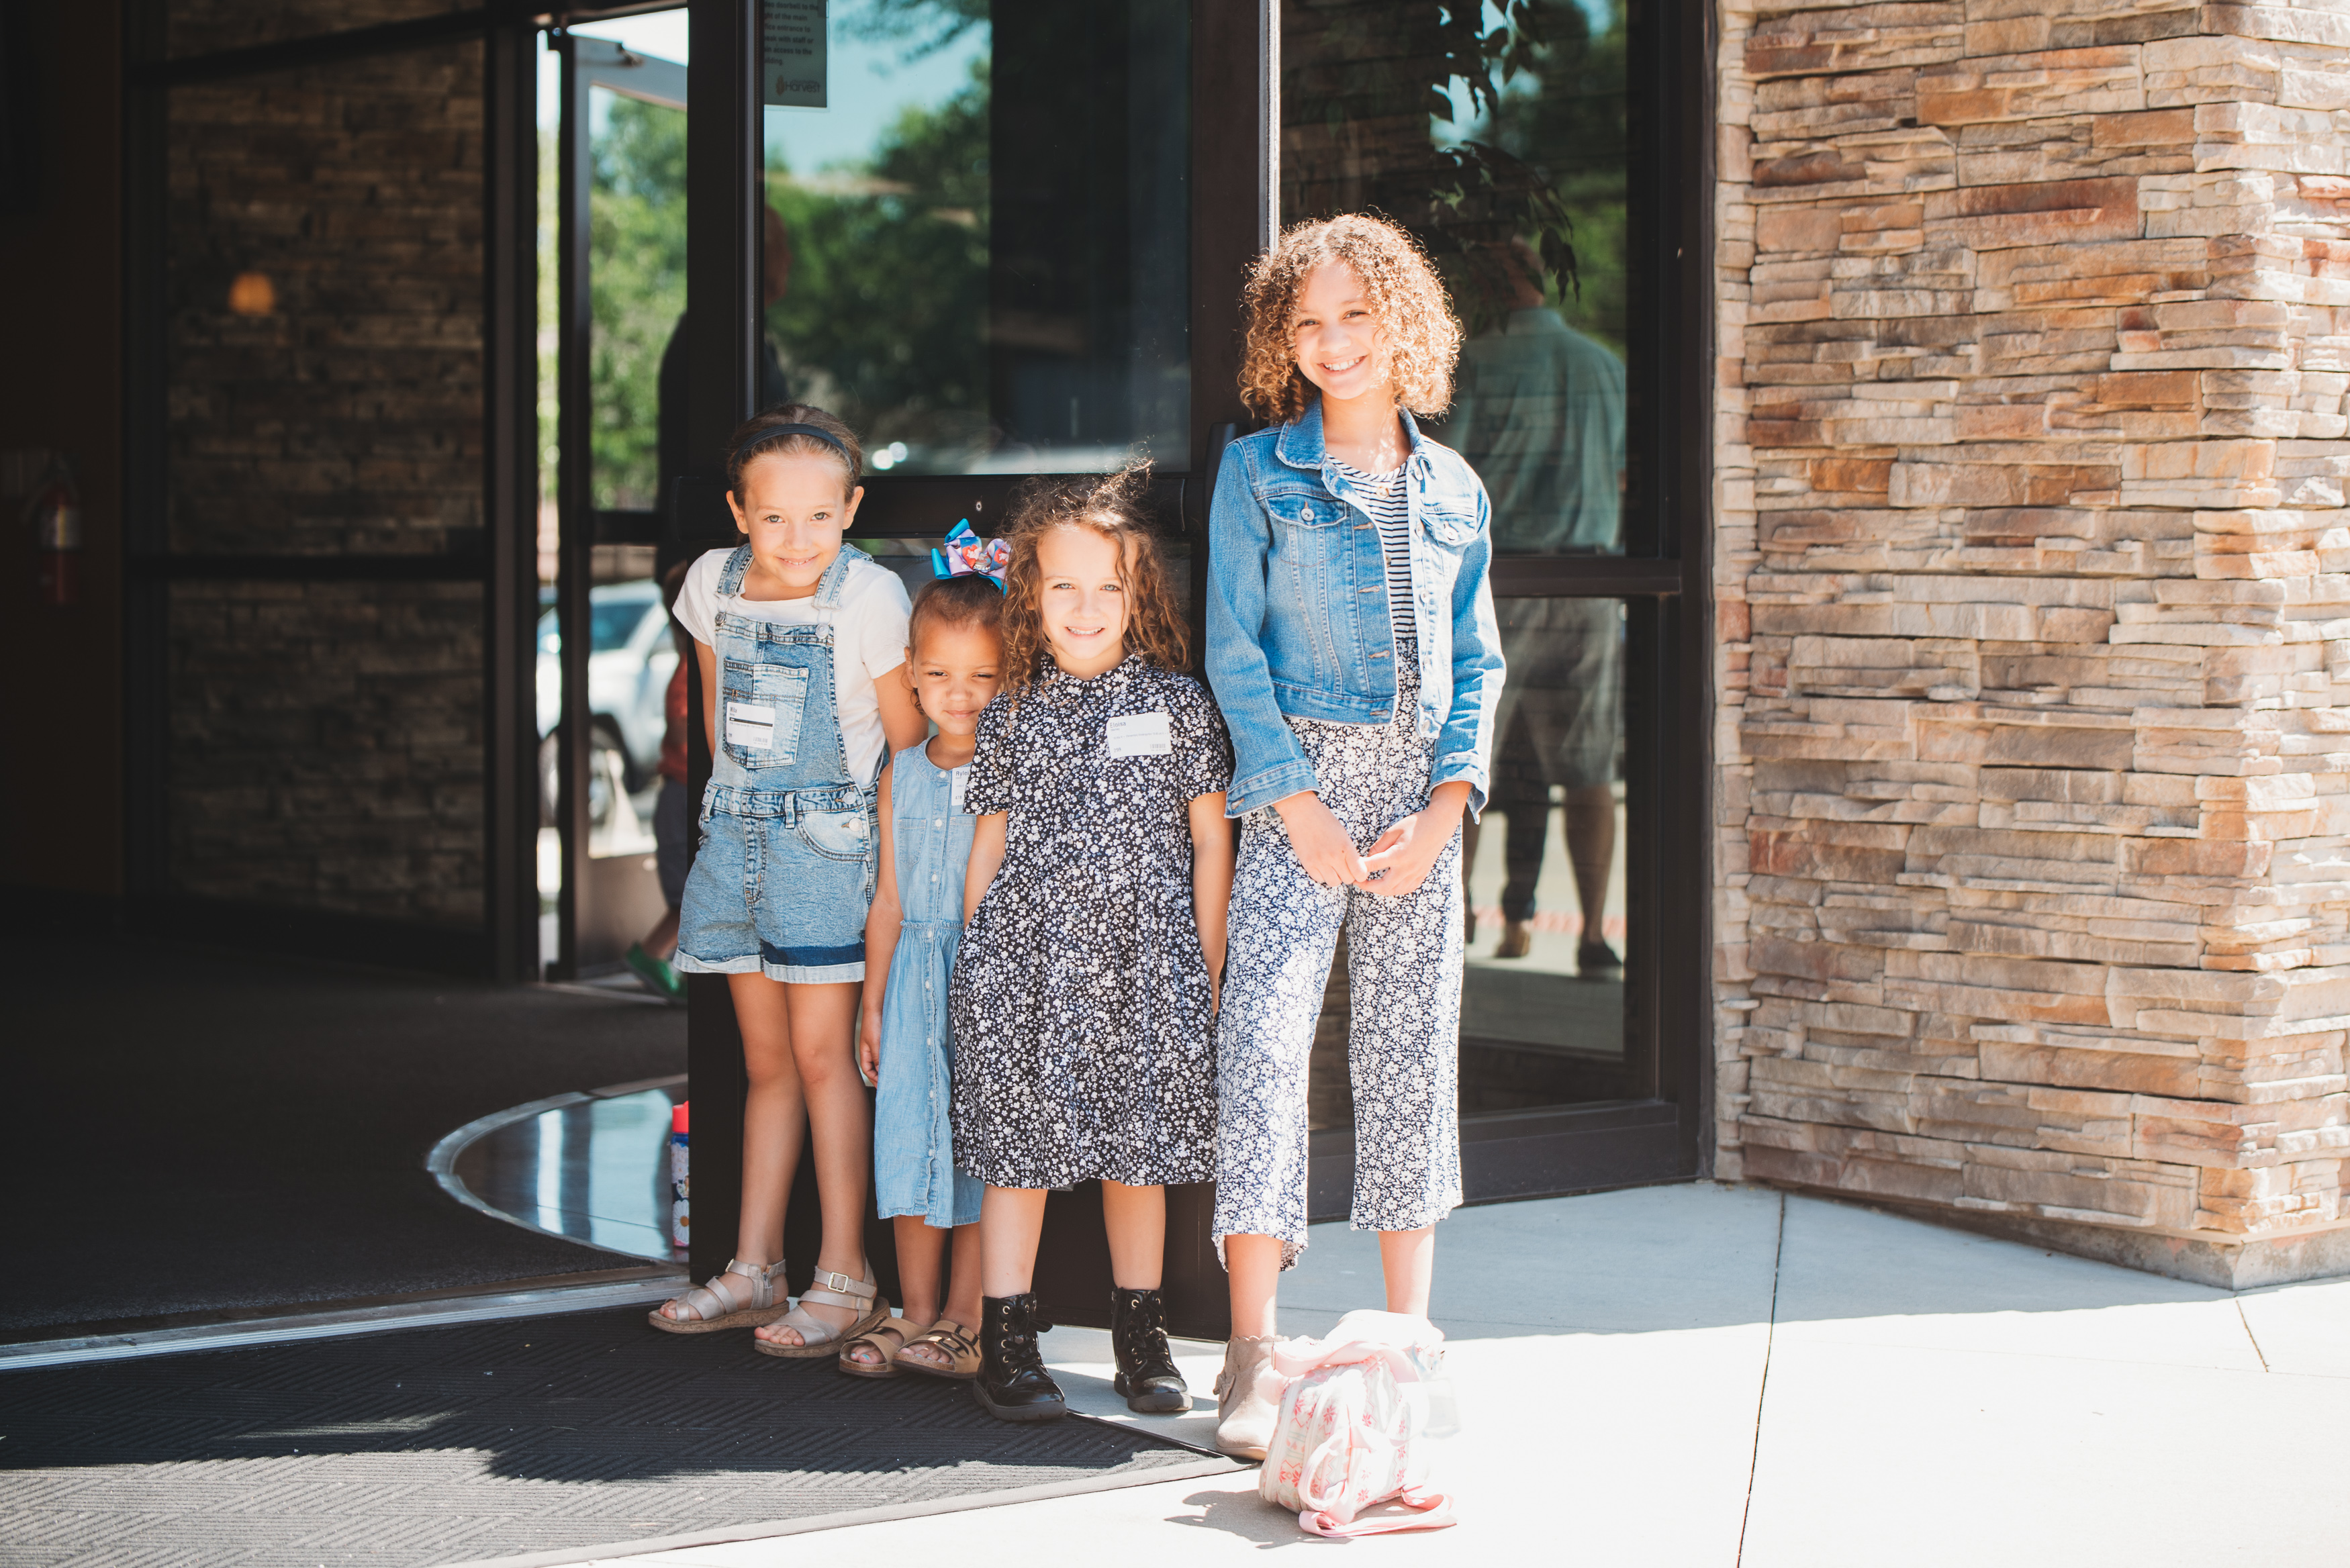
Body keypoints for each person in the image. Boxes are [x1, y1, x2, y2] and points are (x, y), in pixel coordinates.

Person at [1203, 213, 1504, 1459]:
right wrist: (1298, 803)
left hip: (1418, 807)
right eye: (1308, 322)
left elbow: (1480, 664)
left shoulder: (1454, 488)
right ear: (1286, 337)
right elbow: (1233, 648)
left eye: (1357, 317)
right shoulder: (1256, 471)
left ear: (1405, 325)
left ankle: (1402, 1341)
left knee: (1405, 1060)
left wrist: (1445, 813)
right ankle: (1252, 1355)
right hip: (1298, 791)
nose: (1333, 343)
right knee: (1265, 1049)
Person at [949, 466, 1235, 1423]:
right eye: (1064, 586)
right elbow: (986, 843)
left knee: (1138, 1156)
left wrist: (1208, 965)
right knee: (1019, 1158)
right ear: (1031, 594)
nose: (1086, 607)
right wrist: (973, 968)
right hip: (1025, 970)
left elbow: (1209, 841)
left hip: (1146, 970)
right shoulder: (1014, 713)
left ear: (1137, 594)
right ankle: (1007, 1338)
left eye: (1107, 586)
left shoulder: (1181, 705)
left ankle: (1141, 1337)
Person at [647, 404, 928, 1353]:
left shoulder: (869, 597)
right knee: (764, 1067)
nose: (796, 537)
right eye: (774, 517)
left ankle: (845, 1275)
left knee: (825, 1064)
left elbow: (908, 746)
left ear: (850, 509)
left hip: (830, 853)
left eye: (819, 515)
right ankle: (754, 1268)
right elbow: (717, 721)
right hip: (733, 843)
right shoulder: (707, 587)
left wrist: (894, 880)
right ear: (738, 511)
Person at [835, 565, 1006, 1381]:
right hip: (909, 984)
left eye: (982, 675)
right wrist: (872, 1005)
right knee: (907, 1137)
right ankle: (912, 1307)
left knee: (979, 1151)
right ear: (910, 673)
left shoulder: (1013, 771)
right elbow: (887, 899)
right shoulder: (899, 771)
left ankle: (967, 1317)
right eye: (938, 673)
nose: (959, 692)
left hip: (985, 981)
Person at [1445, 238, 1627, 974]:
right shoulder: (1603, 367)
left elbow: (1442, 475)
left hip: (1501, 584)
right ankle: (1591, 934)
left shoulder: (1475, 365)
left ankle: (1449, 924)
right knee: (1587, 770)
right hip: (1591, 582)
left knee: (1462, 765)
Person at [624, 558, 696, 1003]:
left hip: (682, 794)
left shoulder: (690, 664)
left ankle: (681, 969)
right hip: (682, 794)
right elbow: (683, 735)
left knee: (691, 897)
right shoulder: (690, 671)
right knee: (689, 898)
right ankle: (653, 956)